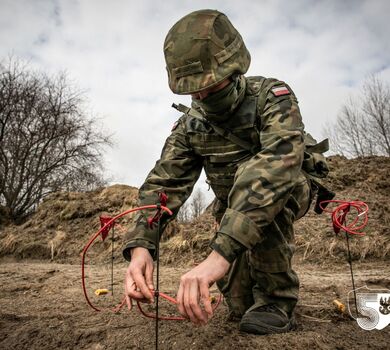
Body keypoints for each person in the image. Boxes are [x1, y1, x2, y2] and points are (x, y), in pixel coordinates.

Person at [122, 9, 317, 335]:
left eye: (209, 88)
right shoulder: (190, 126)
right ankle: (252, 291)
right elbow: (165, 181)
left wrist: (218, 255)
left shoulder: (272, 98)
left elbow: (277, 166)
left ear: (234, 68)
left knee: (255, 181)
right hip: (230, 208)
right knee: (239, 307)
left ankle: (277, 299)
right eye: (192, 91)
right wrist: (142, 247)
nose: (200, 97)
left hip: (286, 192)